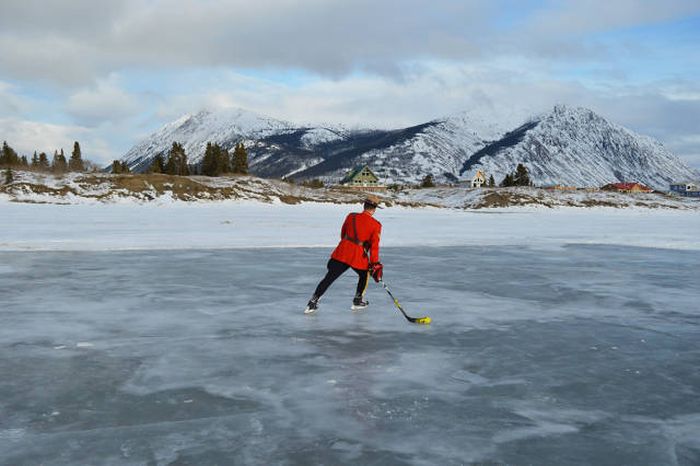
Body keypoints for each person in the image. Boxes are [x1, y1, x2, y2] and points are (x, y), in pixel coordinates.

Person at [304, 195, 384, 314]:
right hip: (357, 256)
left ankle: (313, 301)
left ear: (364, 205)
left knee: (329, 277)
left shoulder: (351, 216)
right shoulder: (376, 225)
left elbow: (343, 234)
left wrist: (346, 245)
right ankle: (357, 300)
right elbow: (374, 247)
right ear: (374, 209)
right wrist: (374, 263)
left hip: (342, 251)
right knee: (364, 275)